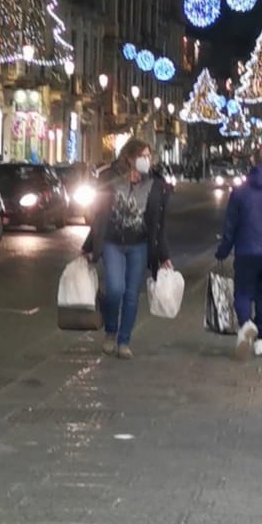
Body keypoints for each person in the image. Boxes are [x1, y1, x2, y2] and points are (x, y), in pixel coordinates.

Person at [82, 138, 172, 360]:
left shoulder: (155, 184)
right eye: (142, 155)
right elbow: (99, 217)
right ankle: (110, 330)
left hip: (139, 244)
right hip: (113, 242)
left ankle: (123, 341)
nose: (147, 160)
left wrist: (164, 256)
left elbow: (158, 224)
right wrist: (87, 247)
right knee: (115, 289)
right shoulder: (110, 178)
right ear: (129, 157)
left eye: (149, 156)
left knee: (131, 294)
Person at [214, 143, 262, 359]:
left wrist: (223, 249)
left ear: (253, 161)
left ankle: (245, 323)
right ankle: (261, 339)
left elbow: (230, 225)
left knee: (243, 291)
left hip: (246, 250)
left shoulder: (240, 192)